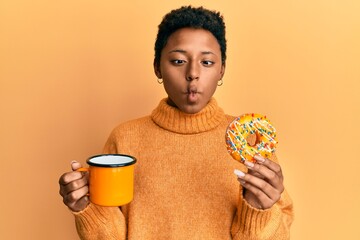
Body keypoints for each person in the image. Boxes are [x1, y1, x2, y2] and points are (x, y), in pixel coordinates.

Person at [59, 6, 294, 239]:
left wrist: (258, 211)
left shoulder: (250, 146)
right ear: (157, 67)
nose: (193, 73)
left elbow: (282, 231)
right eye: (179, 61)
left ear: (222, 69)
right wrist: (85, 208)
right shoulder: (125, 138)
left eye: (207, 62)